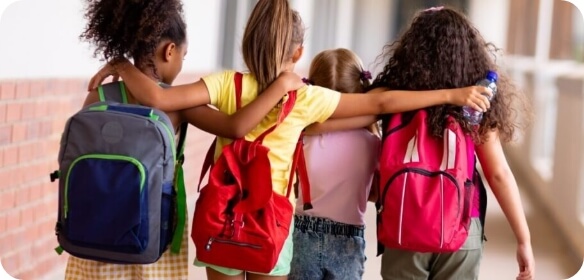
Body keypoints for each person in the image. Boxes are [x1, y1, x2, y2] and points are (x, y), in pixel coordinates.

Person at [87, 1, 492, 279]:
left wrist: (122, 65)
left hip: (220, 221)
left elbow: (159, 96)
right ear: (298, 53)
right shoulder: (306, 98)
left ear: (247, 40)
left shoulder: (224, 84)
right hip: (270, 226)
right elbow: (380, 104)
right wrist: (451, 95)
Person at [67, 0, 301, 279]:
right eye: (183, 56)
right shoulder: (176, 106)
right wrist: (281, 86)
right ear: (170, 51)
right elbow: (233, 126)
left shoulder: (98, 96)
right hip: (151, 233)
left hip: (94, 231)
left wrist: (120, 64)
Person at [370, 7, 535, 280]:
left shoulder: (396, 96)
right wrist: (523, 239)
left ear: (413, 51)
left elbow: (375, 104)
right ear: (468, 54)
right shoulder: (478, 102)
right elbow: (498, 174)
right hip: (461, 226)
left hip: (404, 222)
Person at [288, 48, 380, 280]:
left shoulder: (300, 134)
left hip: (301, 233)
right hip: (349, 238)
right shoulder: (372, 143)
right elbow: (377, 194)